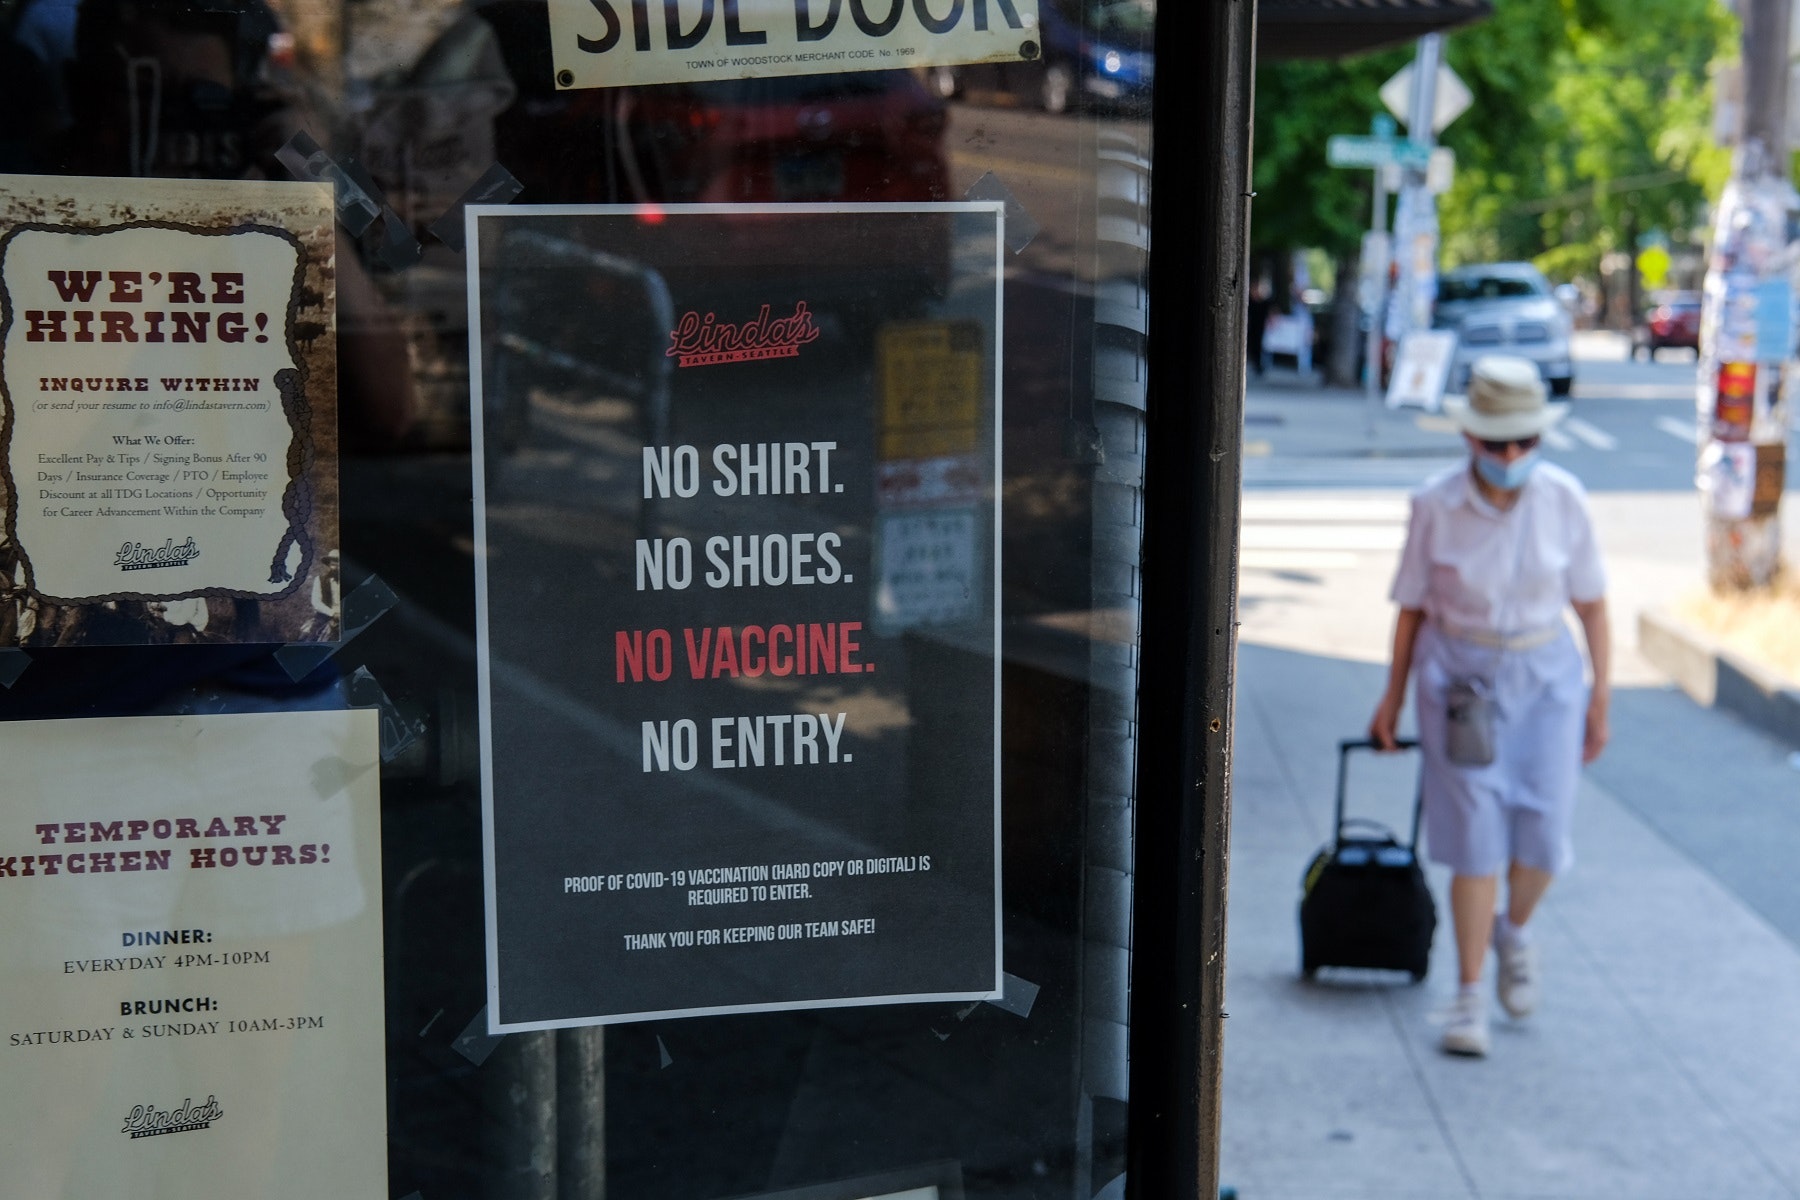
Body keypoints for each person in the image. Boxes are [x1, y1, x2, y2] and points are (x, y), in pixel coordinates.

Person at [1369, 354, 1610, 1058]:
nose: (1511, 456)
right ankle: (1469, 995)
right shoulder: (1434, 506)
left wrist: (1602, 698)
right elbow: (1410, 611)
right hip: (1459, 681)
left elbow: (1593, 606)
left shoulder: (1564, 499)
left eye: (1525, 442)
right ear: (1469, 436)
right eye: (1497, 442)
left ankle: (1515, 930)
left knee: (1543, 836)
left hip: (1549, 679)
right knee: (1473, 839)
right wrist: (1390, 700)